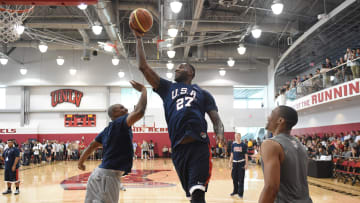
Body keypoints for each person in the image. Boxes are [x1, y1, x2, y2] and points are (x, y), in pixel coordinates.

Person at [132, 28, 224, 203]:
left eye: (181, 67)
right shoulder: (167, 88)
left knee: (198, 194)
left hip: (199, 146)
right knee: (191, 194)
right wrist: (138, 38)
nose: (177, 68)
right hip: (179, 150)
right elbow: (143, 67)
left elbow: (216, 120)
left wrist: (219, 133)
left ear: (191, 73)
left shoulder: (203, 93)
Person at [78, 80, 147, 203]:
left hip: (97, 176)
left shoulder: (107, 130)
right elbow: (140, 112)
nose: (125, 109)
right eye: (121, 108)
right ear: (114, 113)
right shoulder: (120, 123)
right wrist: (143, 91)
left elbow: (91, 146)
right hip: (108, 178)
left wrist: (81, 162)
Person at [259, 106, 312, 203]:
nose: (268, 117)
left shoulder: (270, 144)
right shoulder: (300, 145)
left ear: (280, 120)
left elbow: (271, 189)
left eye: (271, 114)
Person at [228, 133, 248, 198]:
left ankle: (240, 193)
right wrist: (229, 163)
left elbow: (246, 155)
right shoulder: (233, 145)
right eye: (236, 136)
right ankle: (235, 191)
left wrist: (246, 164)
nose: (237, 137)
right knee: (234, 178)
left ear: (240, 137)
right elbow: (232, 155)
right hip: (234, 163)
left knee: (241, 179)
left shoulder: (243, 145)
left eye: (238, 136)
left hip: (241, 163)